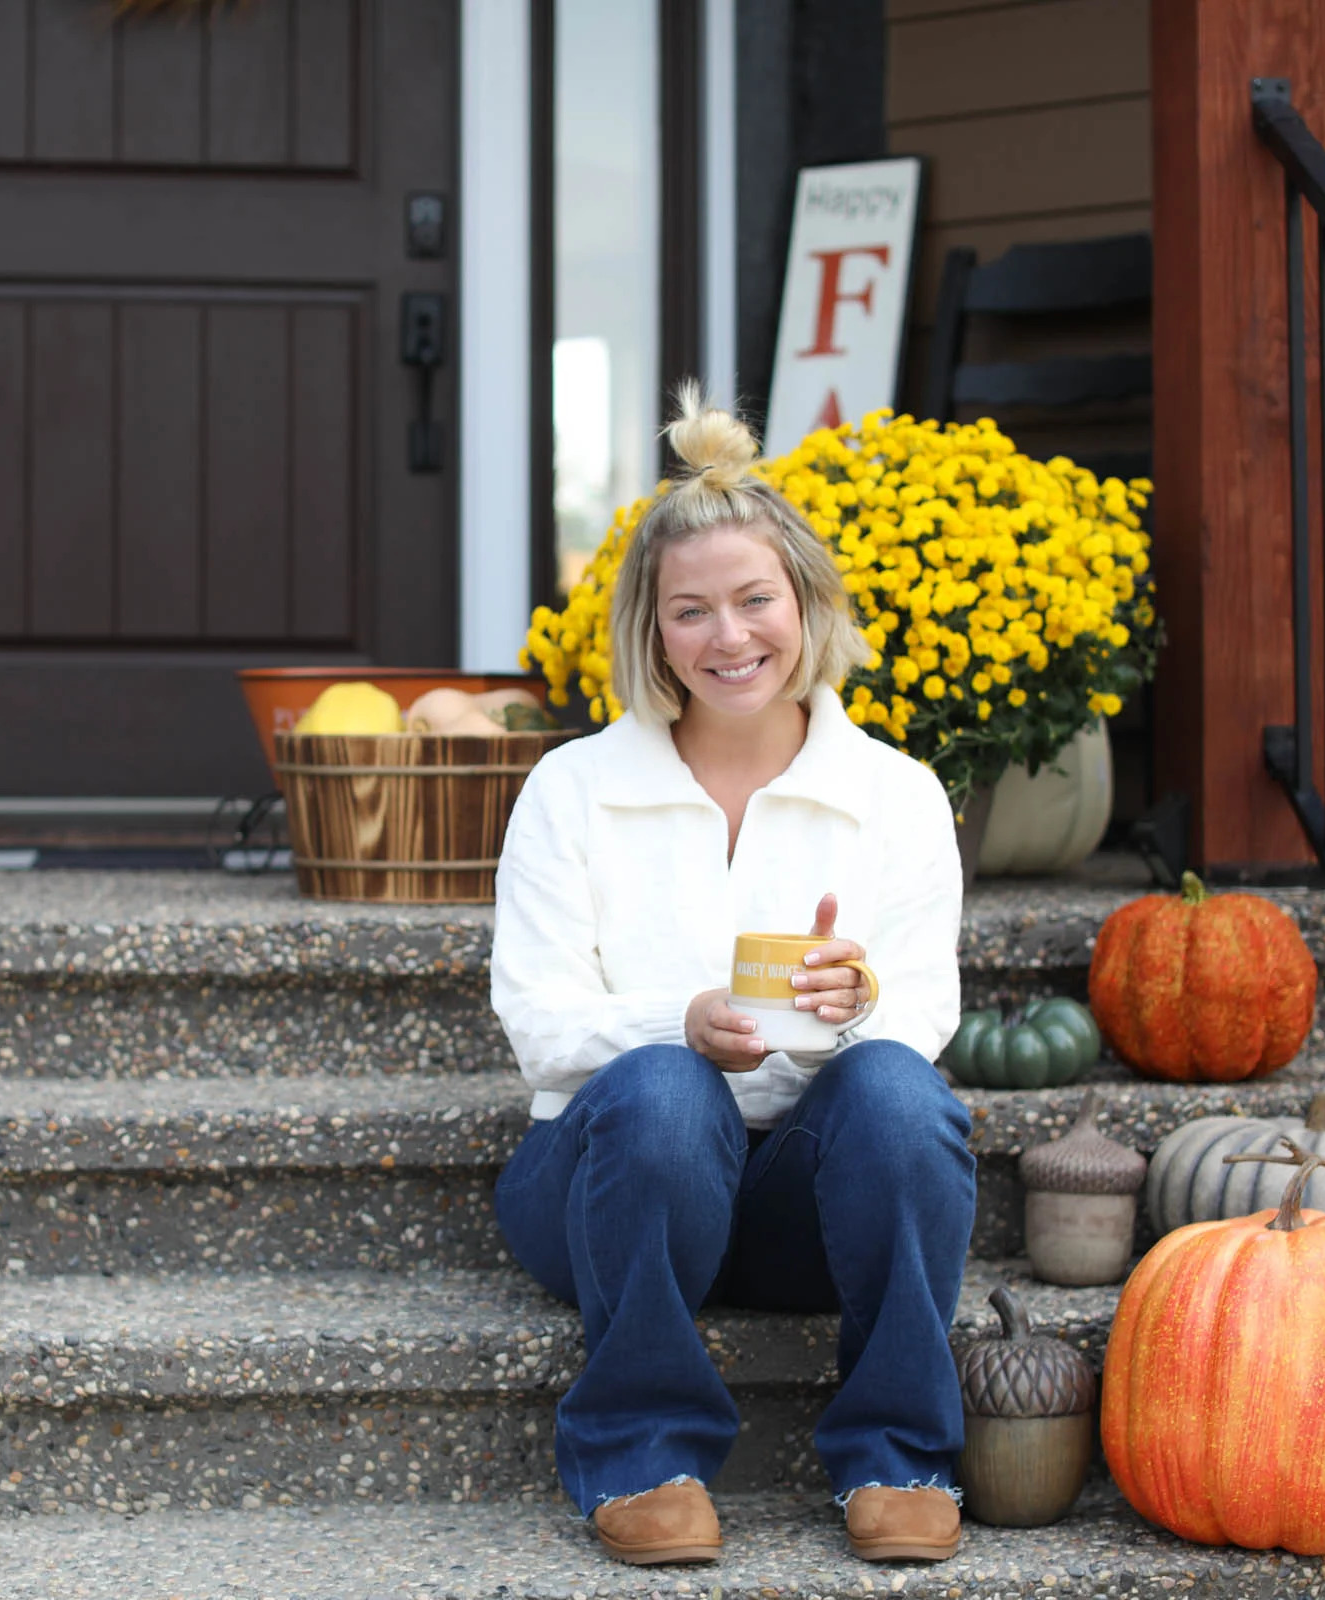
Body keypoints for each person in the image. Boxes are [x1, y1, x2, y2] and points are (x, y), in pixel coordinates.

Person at [490, 384, 974, 1567]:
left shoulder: (896, 795)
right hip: (610, 1184)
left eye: (756, 599)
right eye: (692, 609)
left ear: (805, 605)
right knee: (664, 1087)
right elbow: (541, 1025)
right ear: (653, 631)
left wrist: (857, 1009)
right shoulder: (575, 789)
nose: (730, 636)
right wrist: (682, 1024)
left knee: (903, 1094)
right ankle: (642, 1454)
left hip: (811, 1199)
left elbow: (925, 1006)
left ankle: (899, 1454)